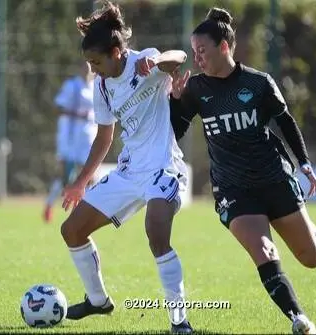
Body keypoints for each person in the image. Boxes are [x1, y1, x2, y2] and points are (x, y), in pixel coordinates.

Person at [169, 8, 316, 335]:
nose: (197, 57)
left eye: (202, 50)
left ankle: (313, 234)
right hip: (234, 189)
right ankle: (299, 319)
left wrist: (304, 163)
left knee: (310, 259)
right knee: (264, 250)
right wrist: (175, 102)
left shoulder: (258, 83)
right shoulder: (195, 88)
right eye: (193, 51)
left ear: (224, 47)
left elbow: (285, 121)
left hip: (275, 179)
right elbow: (174, 133)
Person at [59, 2, 193, 333]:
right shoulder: (101, 87)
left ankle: (180, 321)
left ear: (118, 51)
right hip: (129, 172)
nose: (94, 69)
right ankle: (97, 301)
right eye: (89, 63)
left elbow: (180, 57)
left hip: (163, 168)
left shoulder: (142, 61)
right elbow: (104, 137)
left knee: (156, 233)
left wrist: (157, 61)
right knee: (71, 231)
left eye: (97, 62)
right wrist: (80, 183)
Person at [43, 60, 97, 223]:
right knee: (66, 175)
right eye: (84, 65)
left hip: (89, 136)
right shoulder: (72, 85)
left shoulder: (96, 86)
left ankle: (82, 211)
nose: (88, 68)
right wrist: (77, 114)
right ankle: (49, 205)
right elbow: (58, 107)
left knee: (89, 175)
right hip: (71, 137)